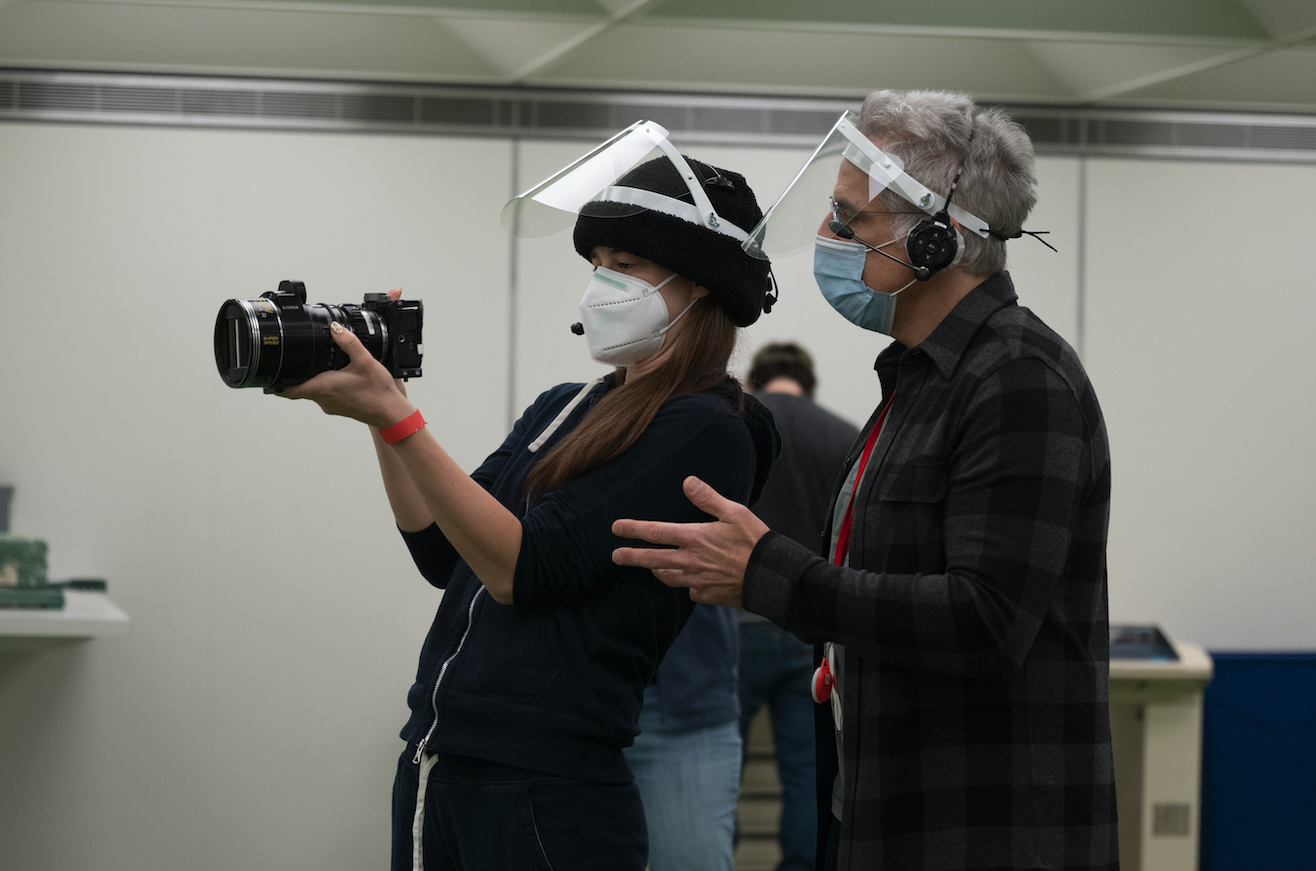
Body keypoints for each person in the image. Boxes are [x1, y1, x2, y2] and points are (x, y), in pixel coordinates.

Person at [613, 90, 1118, 871]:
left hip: (988, 831)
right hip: (896, 815)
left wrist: (768, 572)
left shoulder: (1019, 377)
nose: (824, 236)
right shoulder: (919, 384)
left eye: (850, 220)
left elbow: (985, 618)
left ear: (936, 243)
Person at [281, 126, 780, 871]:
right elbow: (441, 550)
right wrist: (385, 415)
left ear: (699, 283)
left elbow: (525, 566)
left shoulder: (711, 425)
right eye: (596, 263)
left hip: (546, 790)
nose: (601, 282)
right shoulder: (561, 405)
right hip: (440, 761)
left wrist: (398, 418)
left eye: (627, 264)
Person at [736, 342, 858, 871]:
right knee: (805, 776)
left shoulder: (733, 427)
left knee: (716, 770)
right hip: (807, 629)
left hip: (728, 626)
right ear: (807, 383)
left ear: (755, 381)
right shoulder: (846, 438)